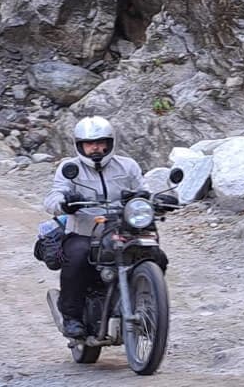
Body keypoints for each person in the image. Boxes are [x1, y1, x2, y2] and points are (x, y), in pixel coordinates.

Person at [43, 115, 145, 338]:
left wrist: (156, 199)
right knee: (77, 256)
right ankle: (71, 316)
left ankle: (149, 305)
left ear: (110, 143)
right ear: (80, 145)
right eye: (90, 143)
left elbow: (144, 190)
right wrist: (64, 204)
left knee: (155, 254)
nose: (96, 148)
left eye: (101, 142)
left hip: (123, 229)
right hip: (84, 232)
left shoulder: (128, 166)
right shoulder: (69, 168)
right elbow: (52, 197)